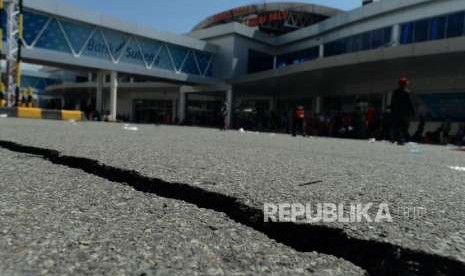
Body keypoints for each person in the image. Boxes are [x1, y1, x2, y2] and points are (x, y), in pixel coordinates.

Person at [390, 76, 415, 145]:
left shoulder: (395, 92)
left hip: (396, 113)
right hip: (405, 114)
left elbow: (392, 102)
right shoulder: (407, 92)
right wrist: (413, 112)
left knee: (397, 126)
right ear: (405, 84)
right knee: (404, 127)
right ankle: (401, 139)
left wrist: (392, 111)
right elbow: (410, 103)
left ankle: (396, 138)